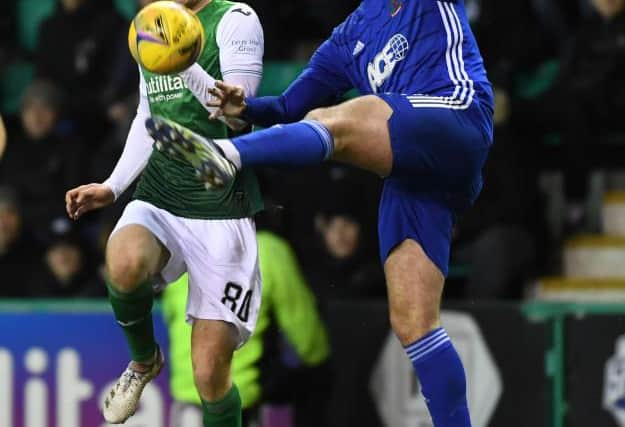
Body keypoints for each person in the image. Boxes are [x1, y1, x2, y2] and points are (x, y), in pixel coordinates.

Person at [148, 1, 494, 425]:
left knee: (338, 121)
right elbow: (290, 106)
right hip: (415, 173)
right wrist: (246, 108)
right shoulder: (349, 37)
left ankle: (227, 155)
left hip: (456, 118)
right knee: (413, 322)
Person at [64, 0, 265, 425]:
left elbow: (240, 120)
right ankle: (142, 362)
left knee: (209, 373)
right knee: (123, 260)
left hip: (222, 205)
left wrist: (182, 60)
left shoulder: (236, 20)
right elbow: (146, 114)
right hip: (163, 193)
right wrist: (113, 186)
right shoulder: (151, 26)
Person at [163, 230, 331, 427]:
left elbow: (171, 314)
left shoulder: (184, 246)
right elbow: (308, 339)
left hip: (186, 407)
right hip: (239, 402)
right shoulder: (268, 250)